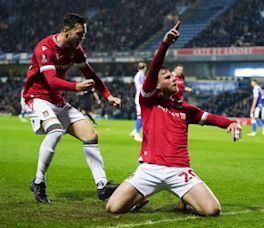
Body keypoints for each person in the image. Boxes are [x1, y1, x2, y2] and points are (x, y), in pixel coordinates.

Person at [106, 22, 242, 215]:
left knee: (212, 210)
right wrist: (165, 45)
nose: (173, 79)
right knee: (113, 208)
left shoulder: (185, 109)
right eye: (168, 77)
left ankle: (183, 199)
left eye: (173, 76)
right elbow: (152, 72)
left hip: (179, 170)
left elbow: (209, 117)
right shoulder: (148, 102)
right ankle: (140, 198)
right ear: (158, 85)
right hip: (149, 169)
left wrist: (231, 123)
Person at [22, 13, 121, 203]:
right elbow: (51, 81)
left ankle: (102, 186)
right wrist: (76, 87)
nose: (81, 38)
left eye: (83, 34)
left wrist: (108, 96)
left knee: (91, 135)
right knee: (56, 131)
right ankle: (38, 181)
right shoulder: (45, 48)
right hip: (36, 97)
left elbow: (90, 74)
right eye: (79, 34)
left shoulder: (76, 50)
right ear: (66, 31)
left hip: (57, 100)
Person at [129, 62, 147, 142]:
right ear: (145, 68)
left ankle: (134, 131)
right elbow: (143, 86)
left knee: (143, 116)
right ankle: (136, 133)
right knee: (141, 116)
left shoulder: (139, 75)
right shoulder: (141, 75)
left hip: (140, 96)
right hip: (141, 97)